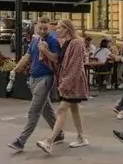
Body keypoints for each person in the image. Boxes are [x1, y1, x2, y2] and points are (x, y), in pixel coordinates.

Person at [7, 18, 66, 152]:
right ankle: (59, 134)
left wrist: (45, 51)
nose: (42, 31)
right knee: (45, 109)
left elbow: (56, 59)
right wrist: (15, 69)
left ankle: (21, 141)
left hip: (45, 78)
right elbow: (27, 57)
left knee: (34, 111)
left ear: (50, 28)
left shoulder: (52, 41)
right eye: (40, 28)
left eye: (45, 28)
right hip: (33, 78)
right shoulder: (34, 40)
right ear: (36, 28)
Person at [37, 20, 90, 153]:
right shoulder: (66, 43)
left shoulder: (76, 43)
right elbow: (61, 62)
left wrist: (65, 83)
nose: (57, 30)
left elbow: (76, 66)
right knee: (74, 109)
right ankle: (81, 137)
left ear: (67, 29)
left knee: (61, 109)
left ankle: (49, 141)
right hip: (70, 81)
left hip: (72, 83)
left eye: (60, 28)